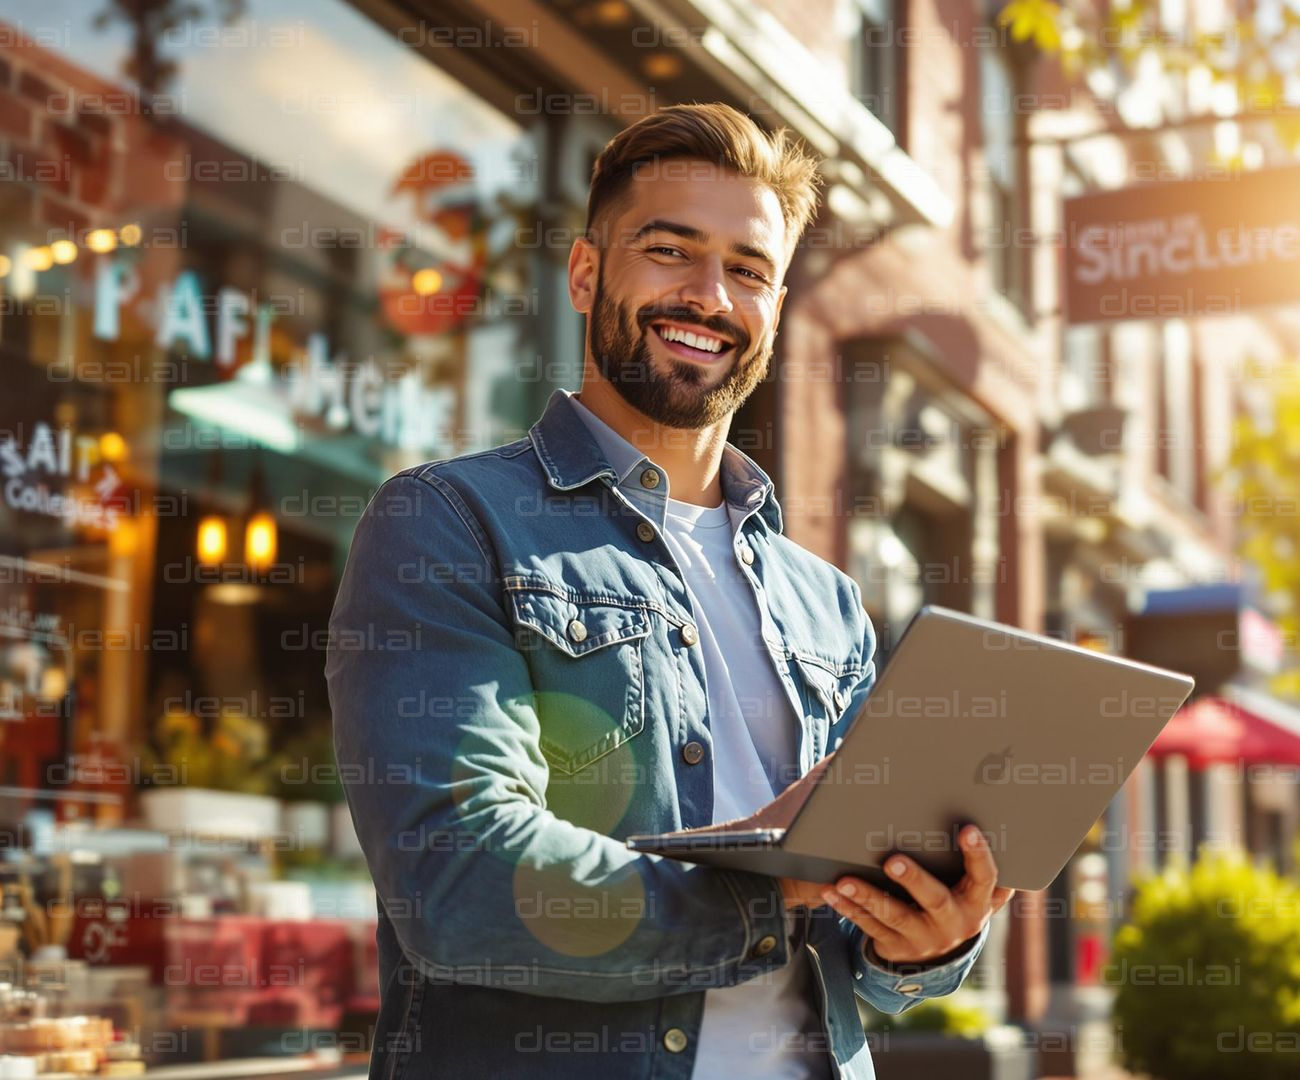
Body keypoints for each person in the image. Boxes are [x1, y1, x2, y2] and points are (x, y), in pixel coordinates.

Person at [326, 103, 1013, 1080]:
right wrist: (773, 888)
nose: (709, 296)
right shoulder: (448, 522)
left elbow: (859, 962)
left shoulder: (828, 607)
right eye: (669, 250)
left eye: (748, 269)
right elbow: (458, 881)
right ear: (585, 272)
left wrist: (928, 937)